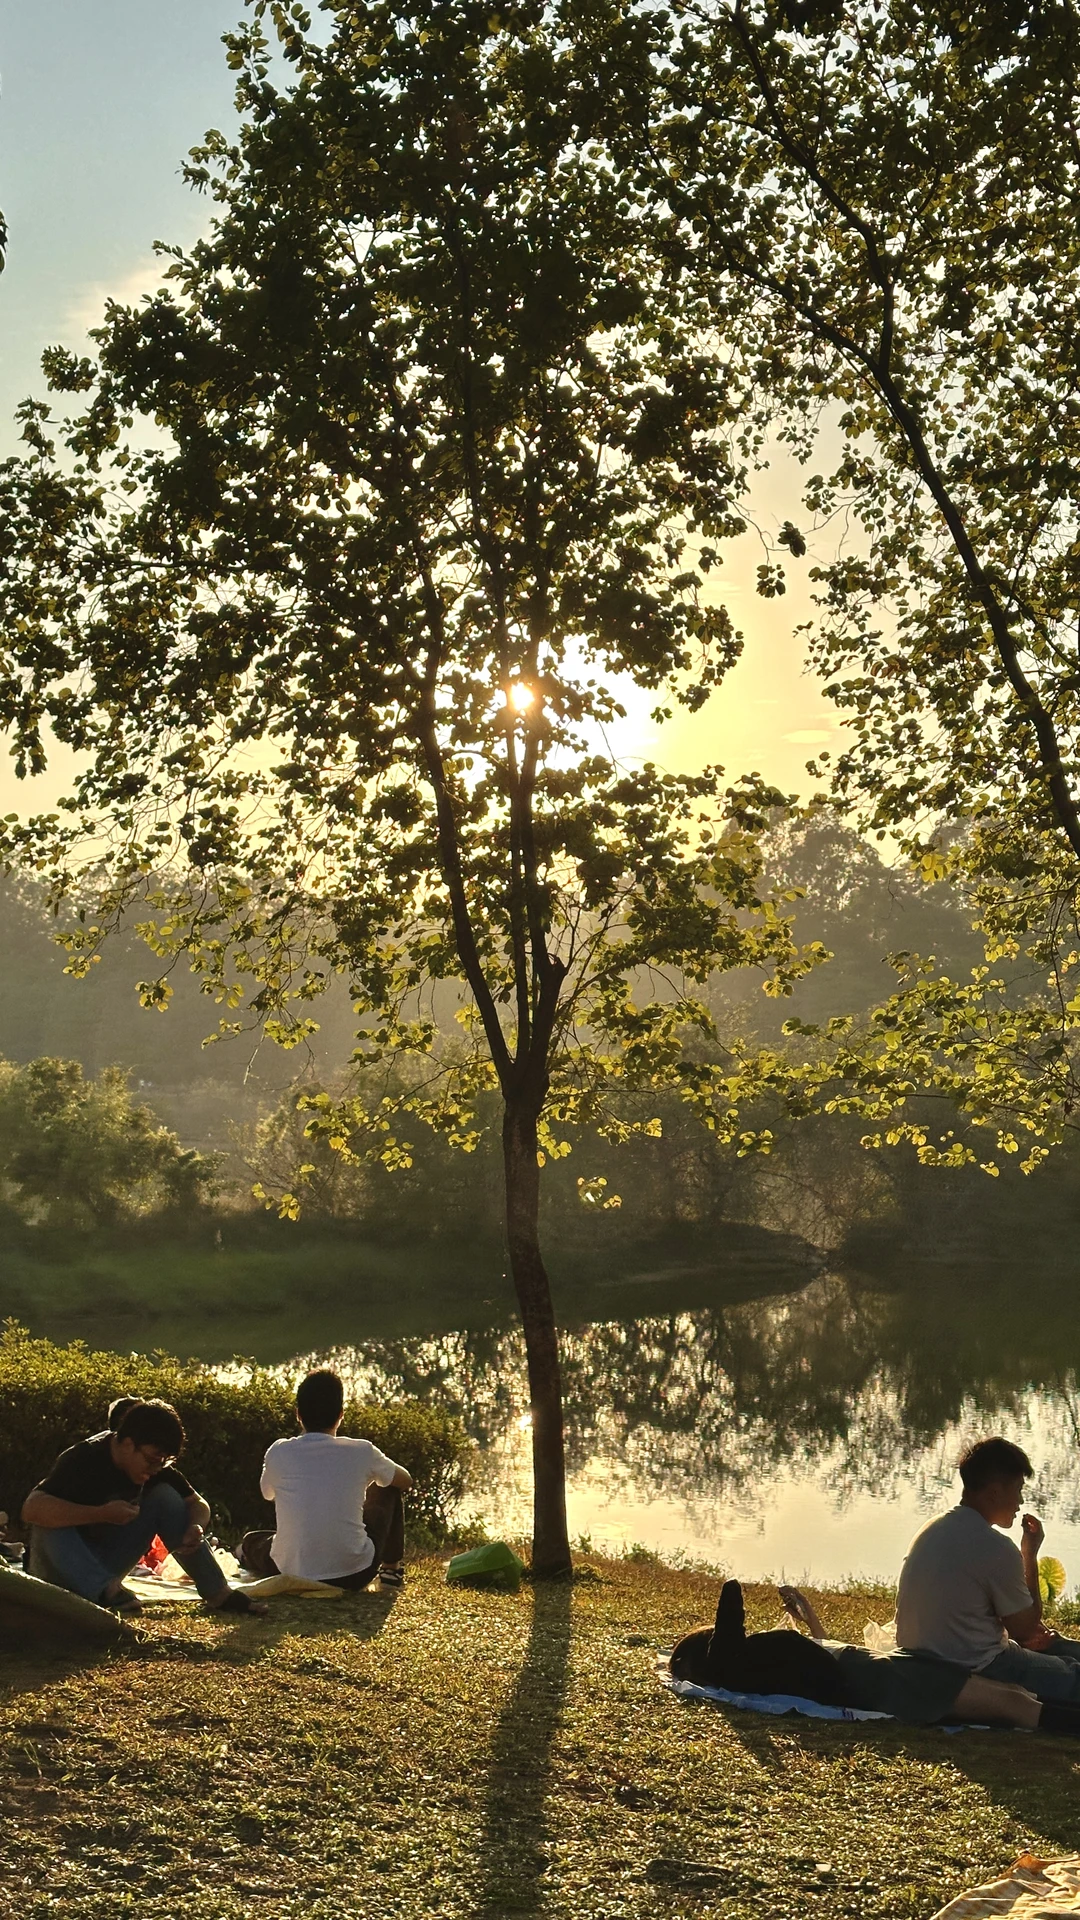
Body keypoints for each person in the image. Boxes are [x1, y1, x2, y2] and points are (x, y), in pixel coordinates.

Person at [670, 1577, 1080, 1735]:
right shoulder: (730, 1666)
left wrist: (810, 1619)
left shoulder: (755, 1666)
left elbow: (817, 1661)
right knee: (1013, 1704)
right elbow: (730, 1596)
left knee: (1012, 1692)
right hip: (879, 1681)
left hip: (873, 1669)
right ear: (709, 1652)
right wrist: (709, 1646)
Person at [22, 1397, 266, 1617]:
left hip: (106, 1567)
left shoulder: (154, 1467)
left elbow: (197, 1504)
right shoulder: (82, 1459)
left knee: (165, 1498)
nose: (155, 1469)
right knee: (48, 1518)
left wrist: (195, 1527)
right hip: (59, 1570)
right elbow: (31, 1508)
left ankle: (218, 1593)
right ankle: (104, 1589)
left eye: (163, 1462)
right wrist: (102, 1514)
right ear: (128, 1444)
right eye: (151, 1460)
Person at [895, 1436, 1080, 1705]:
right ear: (994, 1492)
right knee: (1073, 1676)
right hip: (974, 1667)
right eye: (1017, 1489)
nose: (1020, 1501)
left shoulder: (933, 1527)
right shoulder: (993, 1546)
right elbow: (1024, 1630)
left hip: (918, 1658)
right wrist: (1029, 1554)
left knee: (1057, 1645)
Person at [240, 1368, 411, 1590]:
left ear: (298, 1414)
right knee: (389, 1485)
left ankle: (241, 1555)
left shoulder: (278, 1451)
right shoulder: (362, 1451)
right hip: (354, 1573)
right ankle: (391, 1570)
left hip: (289, 1571)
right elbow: (405, 1480)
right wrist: (364, 1483)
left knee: (252, 1541)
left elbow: (268, 1494)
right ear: (341, 1414)